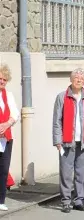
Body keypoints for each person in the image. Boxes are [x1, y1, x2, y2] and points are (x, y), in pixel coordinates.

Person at [52, 68, 84, 213]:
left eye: (82, 78)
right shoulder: (61, 97)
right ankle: (65, 200)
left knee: (81, 173)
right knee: (65, 172)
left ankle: (79, 200)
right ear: (71, 80)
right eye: (76, 78)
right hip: (66, 142)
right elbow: (57, 120)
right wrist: (57, 141)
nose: (79, 80)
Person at [0, 64, 19, 211]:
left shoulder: (9, 95)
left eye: (4, 79)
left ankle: (1, 200)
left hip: (5, 137)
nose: (2, 81)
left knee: (3, 169)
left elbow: (15, 113)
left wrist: (6, 124)